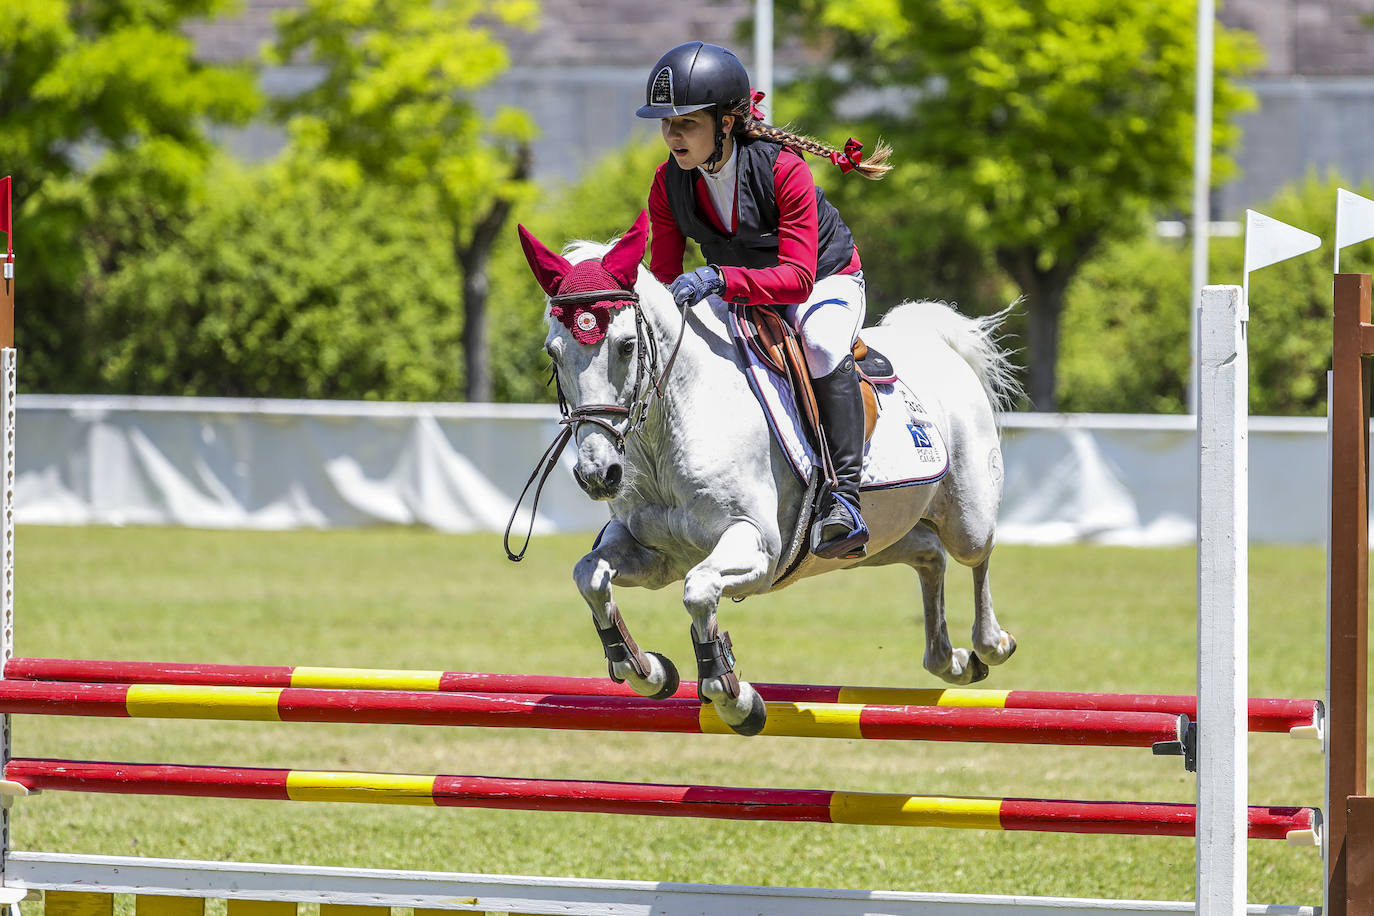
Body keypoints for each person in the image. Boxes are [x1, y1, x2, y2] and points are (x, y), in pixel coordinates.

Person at [635, 40, 892, 561]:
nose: (672, 134)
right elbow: (663, 275)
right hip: (739, 286)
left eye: (686, 122)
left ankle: (843, 497)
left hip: (823, 279)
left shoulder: (783, 169)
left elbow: (796, 277)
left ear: (726, 122)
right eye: (666, 123)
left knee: (819, 344)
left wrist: (716, 279)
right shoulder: (668, 183)